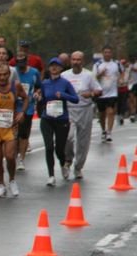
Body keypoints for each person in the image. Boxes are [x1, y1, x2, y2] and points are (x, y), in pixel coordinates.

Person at [0, 63, 28, 198]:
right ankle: (1, 185)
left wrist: (22, 113)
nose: (2, 78)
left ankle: (12, 180)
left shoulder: (16, 86)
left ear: (9, 75)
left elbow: (26, 98)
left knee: (9, 156)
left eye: (5, 75)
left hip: (10, 126)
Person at [62, 51, 101, 180]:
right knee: (68, 137)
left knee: (83, 141)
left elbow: (98, 90)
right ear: (70, 61)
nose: (76, 62)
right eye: (74, 59)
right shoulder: (64, 75)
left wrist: (90, 94)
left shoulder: (89, 75)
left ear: (82, 61)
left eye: (79, 60)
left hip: (85, 109)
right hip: (69, 110)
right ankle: (67, 161)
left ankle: (78, 168)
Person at [40, 57, 79, 186]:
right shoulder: (44, 83)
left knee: (59, 149)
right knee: (49, 147)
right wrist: (38, 97)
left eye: (57, 66)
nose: (54, 68)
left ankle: (63, 164)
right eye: (52, 65)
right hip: (47, 119)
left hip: (62, 120)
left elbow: (75, 99)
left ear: (61, 68)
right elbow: (43, 100)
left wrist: (63, 95)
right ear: (49, 68)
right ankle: (51, 175)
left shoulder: (65, 83)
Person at [14, 52, 42, 171]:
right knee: (14, 134)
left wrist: (37, 93)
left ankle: (21, 159)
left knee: (24, 135)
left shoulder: (34, 72)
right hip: (14, 106)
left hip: (28, 107)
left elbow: (39, 86)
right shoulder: (13, 72)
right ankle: (14, 155)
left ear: (26, 61)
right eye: (18, 63)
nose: (20, 65)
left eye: (22, 62)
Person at [94, 45, 120, 142]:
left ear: (111, 53)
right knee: (102, 114)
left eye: (109, 52)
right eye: (105, 52)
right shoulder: (98, 64)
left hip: (112, 93)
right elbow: (94, 78)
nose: (107, 54)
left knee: (110, 112)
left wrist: (121, 80)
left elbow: (121, 73)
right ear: (102, 53)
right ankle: (103, 130)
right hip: (101, 92)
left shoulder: (116, 64)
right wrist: (100, 74)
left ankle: (109, 132)